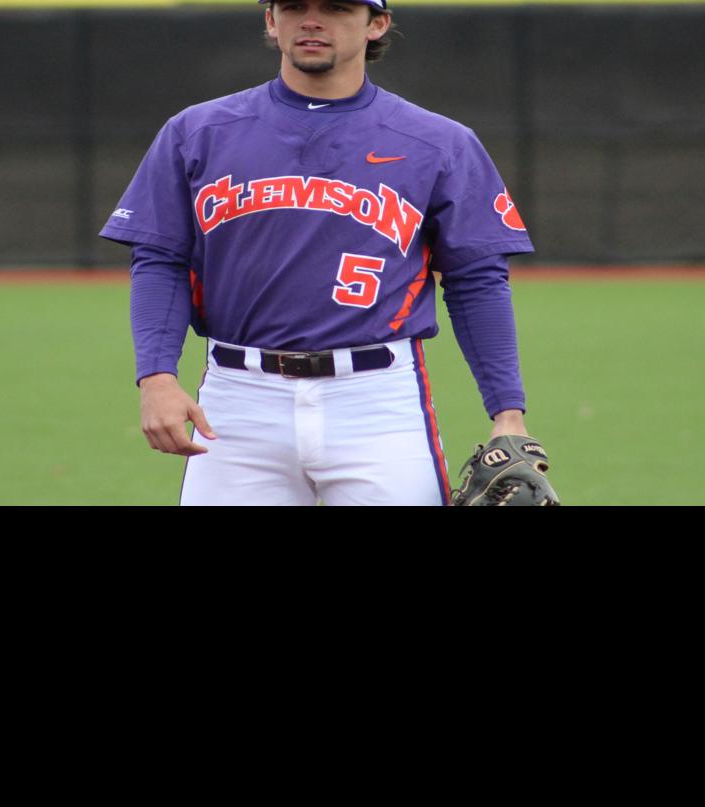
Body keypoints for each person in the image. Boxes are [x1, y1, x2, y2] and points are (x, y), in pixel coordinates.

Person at [100, 0, 537, 505]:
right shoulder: (198, 132)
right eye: (293, 7)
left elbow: (476, 280)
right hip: (237, 404)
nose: (311, 20)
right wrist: (156, 379)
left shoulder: (439, 143)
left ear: (377, 24)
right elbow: (160, 260)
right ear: (270, 20)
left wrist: (508, 411)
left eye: (335, 7)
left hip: (377, 403)